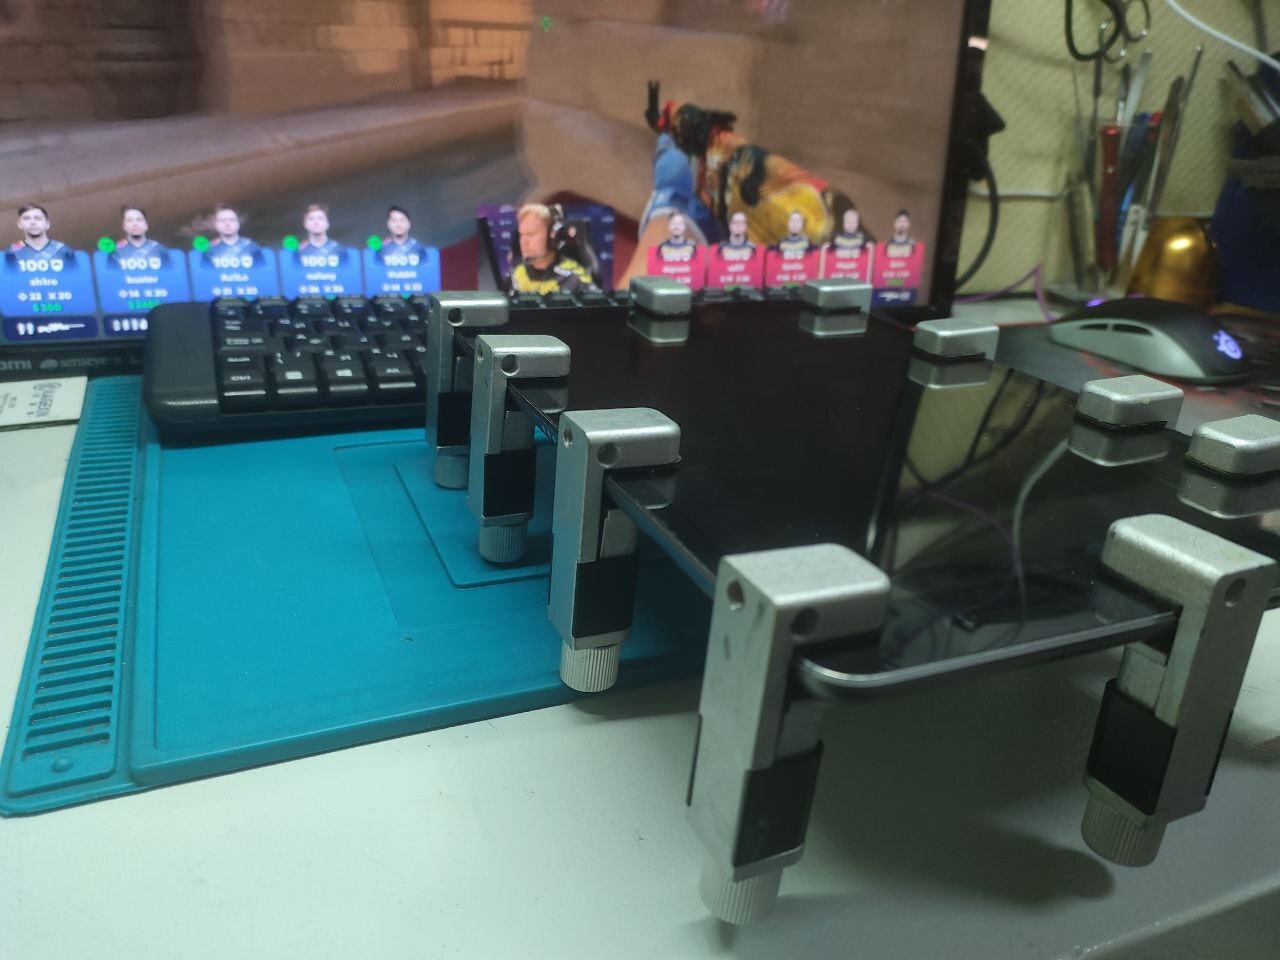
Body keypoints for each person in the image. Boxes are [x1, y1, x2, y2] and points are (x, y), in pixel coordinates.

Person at [509, 203, 596, 295]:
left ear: (552, 236)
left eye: (531, 234)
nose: (523, 242)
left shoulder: (576, 279)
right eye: (521, 234)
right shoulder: (516, 276)